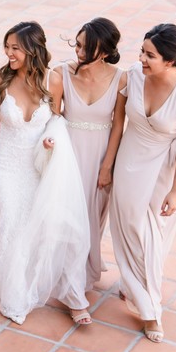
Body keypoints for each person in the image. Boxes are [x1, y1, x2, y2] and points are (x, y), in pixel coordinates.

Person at [0, 21, 90, 326]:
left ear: (32, 50)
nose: (8, 53)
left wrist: (50, 139)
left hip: (34, 165)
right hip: (3, 164)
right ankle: (11, 295)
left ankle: (22, 286)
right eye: (7, 46)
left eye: (15, 48)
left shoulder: (53, 81)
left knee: (29, 228)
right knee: (9, 223)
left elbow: (56, 119)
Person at [109, 23, 176, 343]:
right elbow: (118, 121)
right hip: (129, 160)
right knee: (126, 226)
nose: (141, 58)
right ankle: (132, 285)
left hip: (164, 169)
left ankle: (151, 309)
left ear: (170, 61)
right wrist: (107, 165)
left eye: (149, 55)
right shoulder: (134, 75)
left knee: (150, 239)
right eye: (142, 51)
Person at [55, 18, 126, 292]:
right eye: (78, 44)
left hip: (99, 154)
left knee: (92, 217)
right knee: (68, 215)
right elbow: (51, 116)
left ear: (106, 52)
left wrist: (107, 167)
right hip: (68, 152)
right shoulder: (61, 73)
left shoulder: (121, 78)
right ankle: (71, 282)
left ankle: (84, 270)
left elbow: (119, 124)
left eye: (87, 48)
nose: (79, 52)